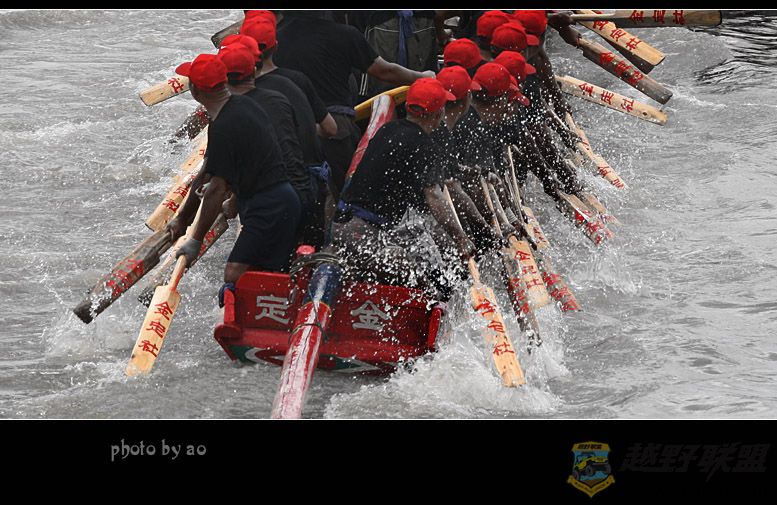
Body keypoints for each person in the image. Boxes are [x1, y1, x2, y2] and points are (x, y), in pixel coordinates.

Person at [166, 53, 301, 306]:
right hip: (281, 199)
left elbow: (217, 189)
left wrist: (195, 240)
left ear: (196, 91)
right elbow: (212, 172)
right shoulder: (243, 105)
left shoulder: (224, 125)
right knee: (271, 273)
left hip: (269, 206)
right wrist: (183, 218)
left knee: (235, 273)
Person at [331, 78, 477, 294]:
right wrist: (461, 239)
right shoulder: (424, 145)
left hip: (342, 226)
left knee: (424, 252)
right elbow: (435, 198)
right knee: (425, 285)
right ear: (438, 114)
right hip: (363, 236)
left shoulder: (388, 129)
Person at [274, 10, 436, 198]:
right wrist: (422, 76)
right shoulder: (344, 35)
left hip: (289, 127)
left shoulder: (277, 38)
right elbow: (385, 71)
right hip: (336, 128)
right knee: (344, 195)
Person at [217, 40, 314, 243]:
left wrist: (195, 235)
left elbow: (219, 183)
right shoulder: (282, 93)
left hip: (275, 201)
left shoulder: (232, 113)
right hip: (307, 187)